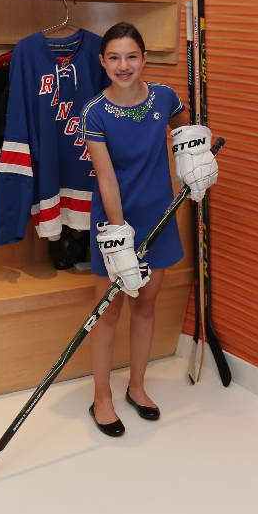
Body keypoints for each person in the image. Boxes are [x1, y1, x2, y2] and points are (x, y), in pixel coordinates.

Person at [80, 22, 218, 437]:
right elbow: (106, 178)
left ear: (144, 58)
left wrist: (193, 155)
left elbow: (184, 129)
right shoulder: (94, 112)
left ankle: (137, 387)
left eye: (132, 56)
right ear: (103, 62)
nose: (124, 65)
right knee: (109, 311)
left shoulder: (165, 97)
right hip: (115, 220)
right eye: (115, 57)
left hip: (160, 217)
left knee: (146, 303)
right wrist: (119, 237)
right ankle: (101, 398)